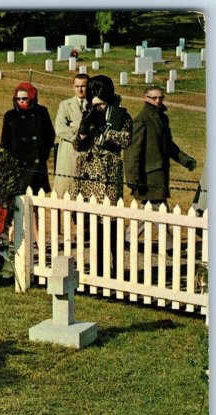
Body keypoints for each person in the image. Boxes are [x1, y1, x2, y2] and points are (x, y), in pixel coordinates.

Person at [72, 75, 132, 275]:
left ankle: (114, 269)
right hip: (88, 176)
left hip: (109, 175)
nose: (98, 108)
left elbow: (125, 139)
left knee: (111, 224)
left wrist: (105, 132)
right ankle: (97, 270)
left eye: (101, 104)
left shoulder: (121, 116)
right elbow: (78, 145)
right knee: (92, 227)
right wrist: (84, 127)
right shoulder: (89, 113)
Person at [124, 85, 197, 208]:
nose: (158, 101)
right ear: (145, 98)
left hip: (160, 175)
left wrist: (185, 160)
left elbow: (168, 145)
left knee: (146, 214)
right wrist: (133, 179)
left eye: (160, 97)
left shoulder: (162, 118)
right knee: (159, 212)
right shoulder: (141, 121)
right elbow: (132, 153)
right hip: (148, 178)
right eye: (154, 98)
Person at [0, 81, 56, 195]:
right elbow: (5, 141)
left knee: (37, 198)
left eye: (24, 98)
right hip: (18, 164)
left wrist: (42, 155)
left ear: (31, 98)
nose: (21, 101)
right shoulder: (10, 116)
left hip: (37, 164)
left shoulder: (41, 112)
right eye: (18, 98)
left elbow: (50, 135)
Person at [53, 73, 89, 196]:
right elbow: (59, 128)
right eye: (77, 86)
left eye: (83, 86)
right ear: (73, 86)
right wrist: (79, 133)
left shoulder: (93, 105)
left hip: (88, 154)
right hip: (69, 153)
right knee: (66, 192)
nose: (80, 89)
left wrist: (74, 124)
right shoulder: (65, 105)